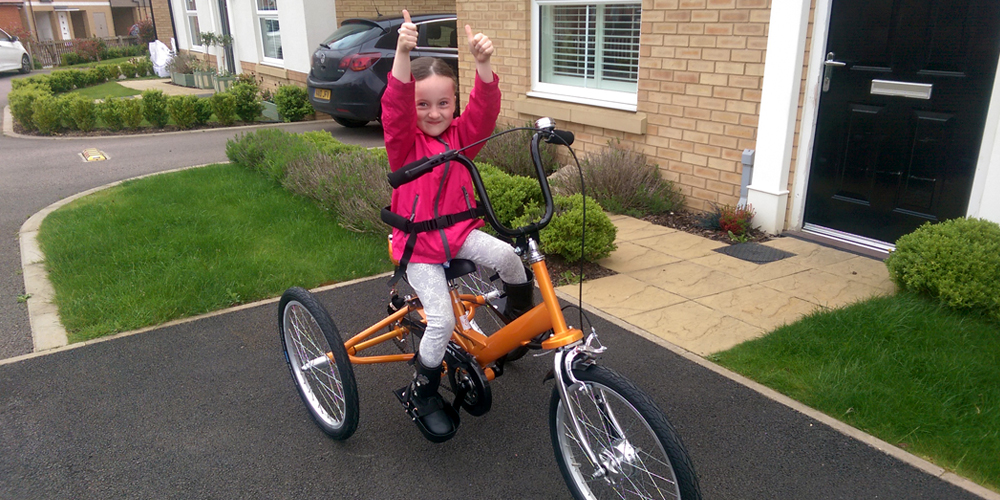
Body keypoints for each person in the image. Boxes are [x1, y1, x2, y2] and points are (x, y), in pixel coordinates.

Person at [381, 10, 534, 443]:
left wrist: (483, 64)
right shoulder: (405, 145)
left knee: (508, 255)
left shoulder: (462, 138)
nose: (434, 112)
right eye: (423, 104)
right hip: (420, 250)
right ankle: (423, 391)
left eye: (443, 103)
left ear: (454, 103)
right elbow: (393, 109)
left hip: (459, 236)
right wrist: (402, 53)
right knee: (442, 322)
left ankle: (517, 318)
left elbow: (485, 112)